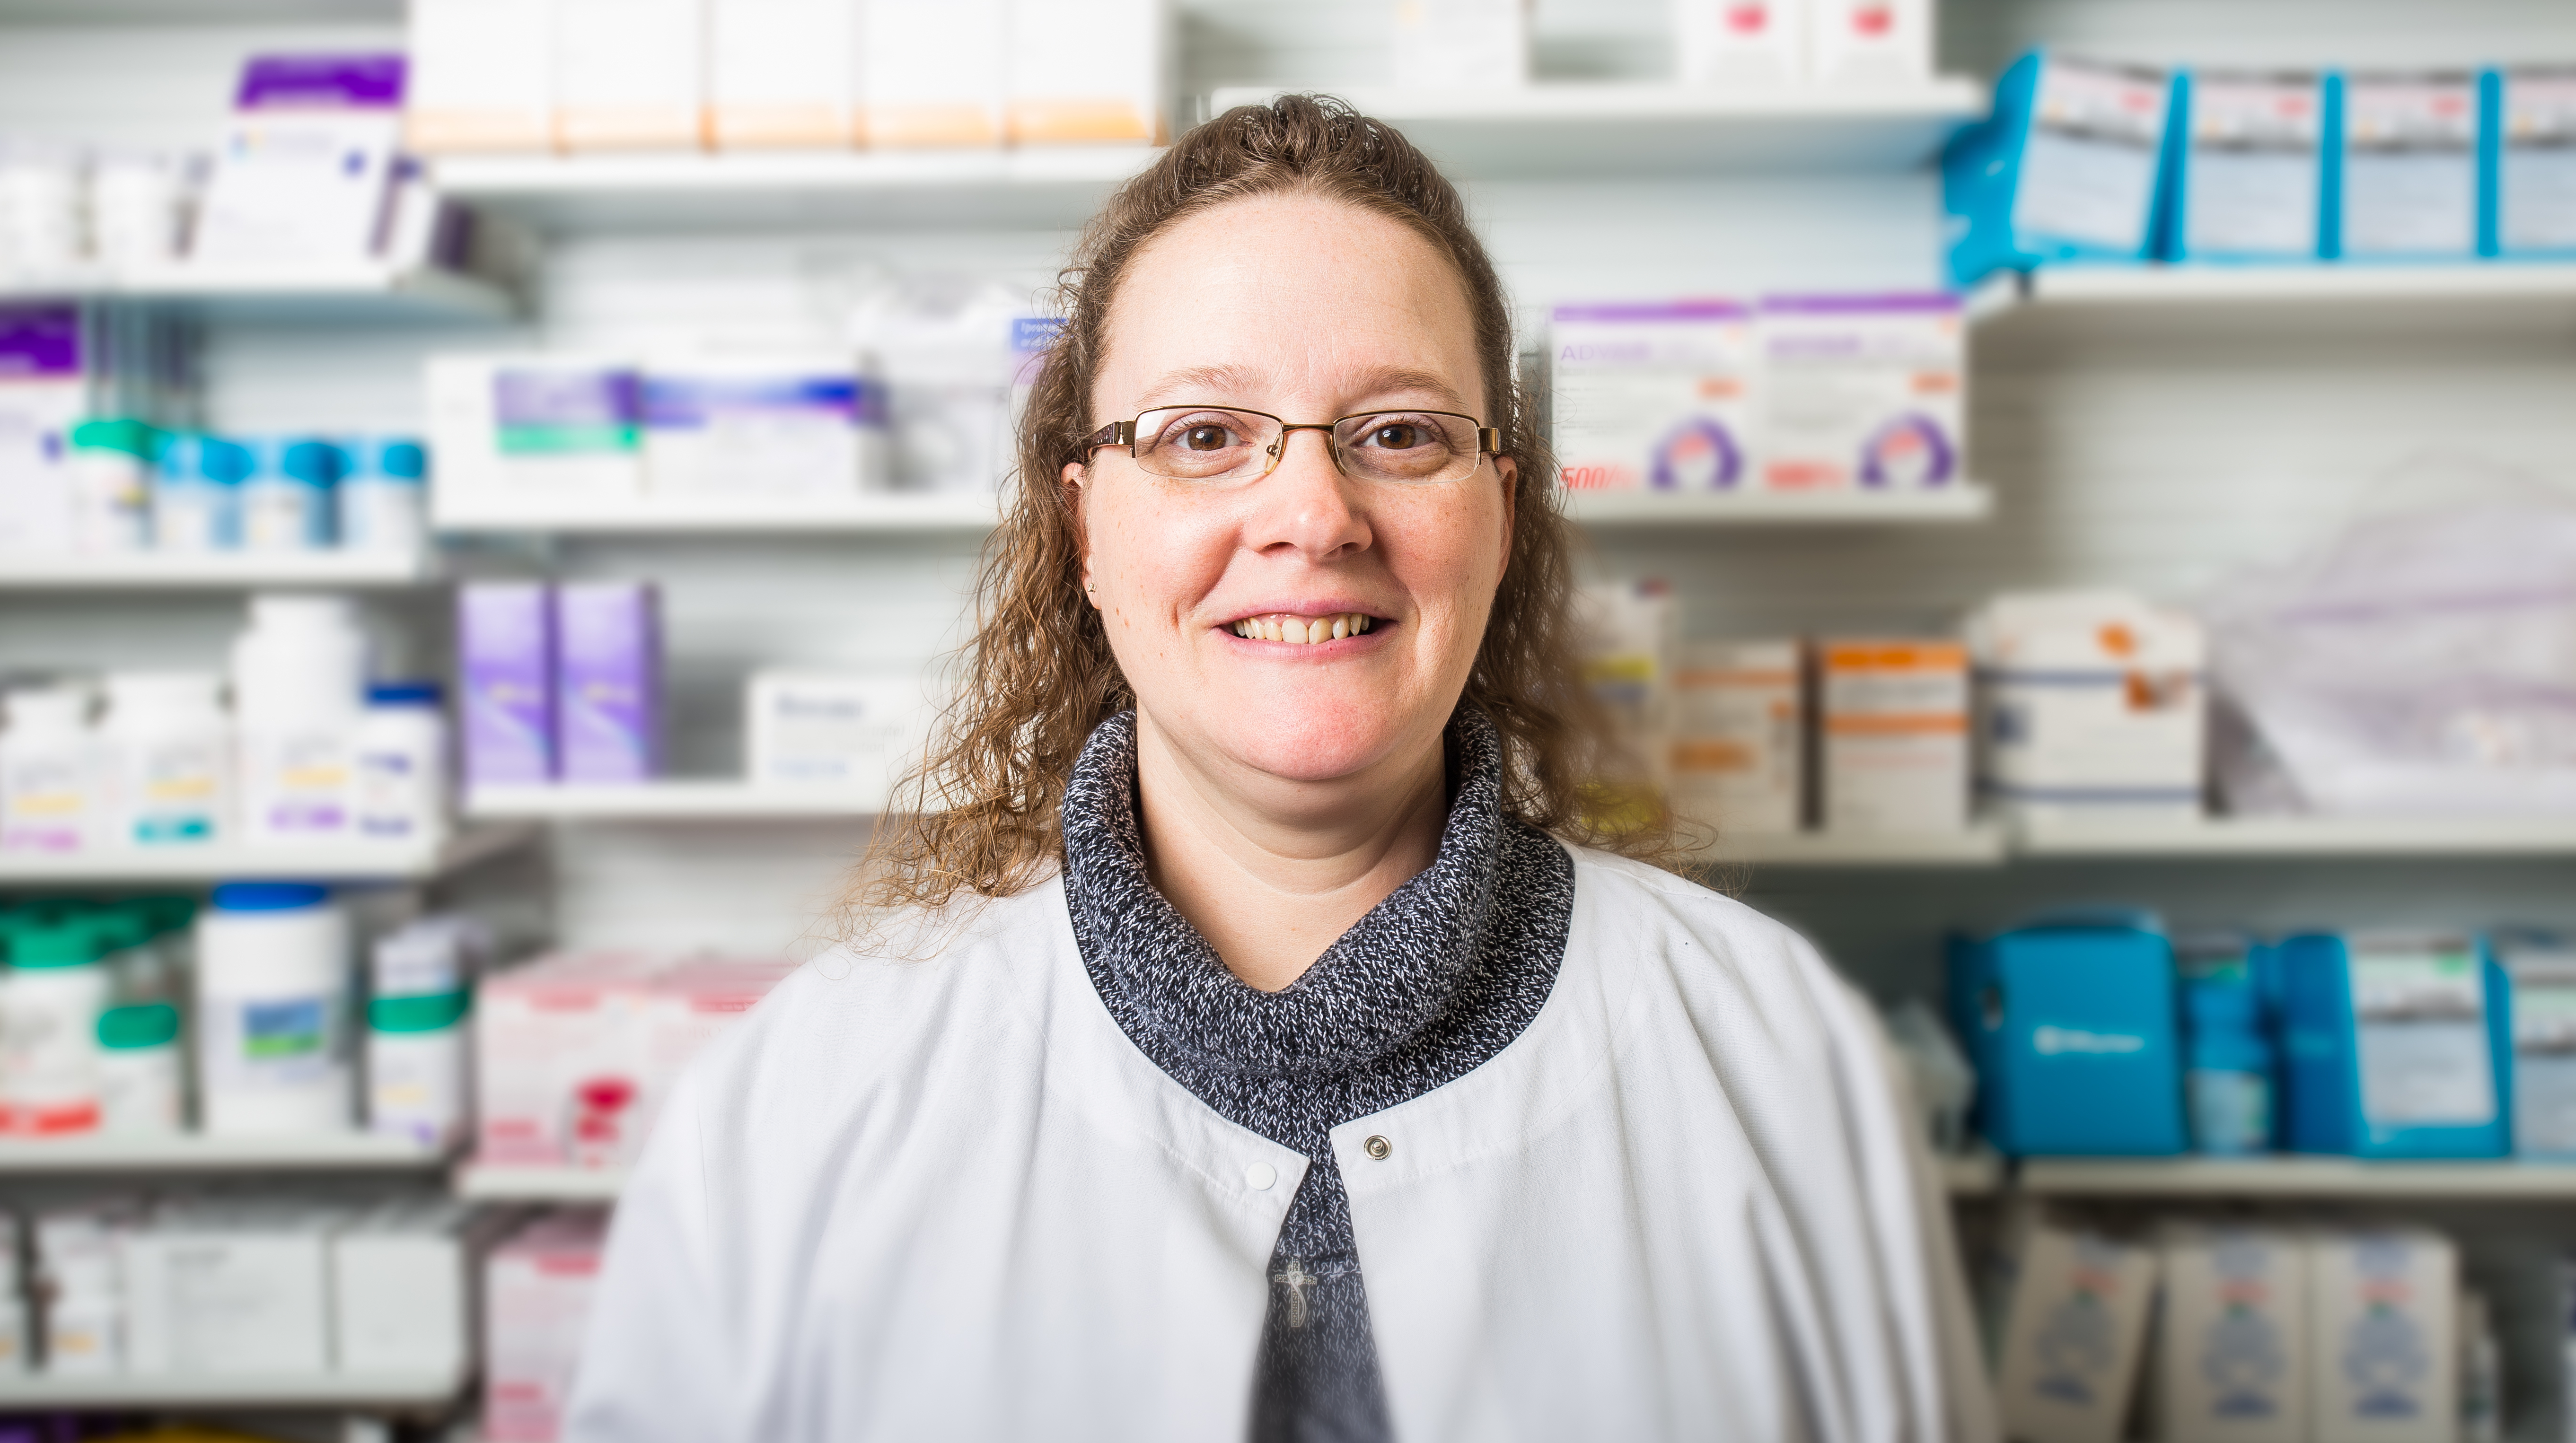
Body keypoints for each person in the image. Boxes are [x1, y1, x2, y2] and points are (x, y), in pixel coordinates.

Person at [567, 95, 1992, 1443]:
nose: (1311, 513)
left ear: (1499, 511)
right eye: (1202, 436)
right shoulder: (809, 1094)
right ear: (1083, 526)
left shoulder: (1771, 1049)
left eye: (1399, 433)